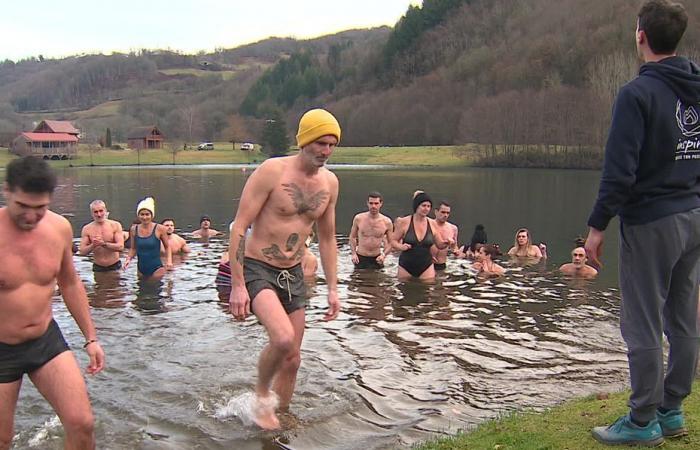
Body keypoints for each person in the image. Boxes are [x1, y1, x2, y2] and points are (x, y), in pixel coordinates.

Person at [586, 2, 700, 446]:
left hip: (652, 220)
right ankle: (673, 410)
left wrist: (597, 227)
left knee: (643, 321)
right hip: (693, 214)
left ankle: (642, 420)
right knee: (683, 314)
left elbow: (619, 172)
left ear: (640, 35)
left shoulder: (636, 94)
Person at [228, 108, 341, 430]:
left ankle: (281, 416)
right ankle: (262, 398)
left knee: (293, 358)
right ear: (304, 140)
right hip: (257, 266)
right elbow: (239, 227)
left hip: (292, 273)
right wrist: (237, 285)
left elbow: (328, 237)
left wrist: (333, 289)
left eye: (332, 144)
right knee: (282, 339)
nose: (326, 151)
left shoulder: (330, 183)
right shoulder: (272, 171)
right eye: (320, 143)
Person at [0, 156, 105, 449]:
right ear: (7, 191)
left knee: (82, 425)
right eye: (23, 207)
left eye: (40, 208)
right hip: (1, 347)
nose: (32, 217)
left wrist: (91, 338)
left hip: (44, 339)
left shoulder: (58, 228)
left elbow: (70, 283)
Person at [390, 191, 449, 281]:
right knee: (405, 290)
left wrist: (447, 242)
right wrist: (401, 247)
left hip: (426, 265)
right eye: (423, 206)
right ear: (416, 206)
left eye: (428, 206)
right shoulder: (404, 222)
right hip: (406, 265)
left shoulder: (432, 223)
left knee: (427, 290)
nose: (426, 209)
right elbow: (393, 241)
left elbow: (439, 245)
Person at [124, 197, 173, 279]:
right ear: (138, 215)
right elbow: (133, 248)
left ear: (152, 215)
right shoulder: (134, 229)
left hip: (156, 268)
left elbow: (167, 247)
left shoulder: (160, 229)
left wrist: (169, 261)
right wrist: (128, 259)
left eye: (147, 214)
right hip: (140, 268)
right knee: (141, 290)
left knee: (154, 288)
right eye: (142, 214)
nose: (144, 217)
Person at [349, 192, 393, 270]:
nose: (373, 206)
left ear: (381, 204)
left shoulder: (387, 222)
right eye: (371, 203)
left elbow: (391, 242)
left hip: (377, 258)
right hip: (360, 257)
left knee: (377, 280)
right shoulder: (359, 218)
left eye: (376, 203)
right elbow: (352, 237)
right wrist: (353, 253)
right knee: (357, 280)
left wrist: (384, 255)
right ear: (367, 203)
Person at [78, 199, 125, 271]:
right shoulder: (87, 229)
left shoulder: (115, 225)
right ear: (92, 213)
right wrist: (93, 245)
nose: (99, 214)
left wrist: (104, 244)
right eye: (96, 212)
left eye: (101, 211)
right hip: (98, 266)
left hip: (114, 265)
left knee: (115, 281)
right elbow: (82, 251)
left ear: (105, 211)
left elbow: (120, 247)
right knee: (99, 282)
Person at [430, 201, 459, 271]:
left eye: (447, 213)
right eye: (443, 212)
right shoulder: (428, 225)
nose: (445, 215)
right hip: (427, 263)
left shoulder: (453, 228)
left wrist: (456, 251)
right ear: (436, 212)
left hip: (442, 264)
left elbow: (455, 246)